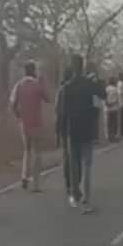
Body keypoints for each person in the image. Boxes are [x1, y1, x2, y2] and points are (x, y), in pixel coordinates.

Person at [62, 54, 103, 213]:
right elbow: (102, 94)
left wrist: (63, 132)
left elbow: (64, 112)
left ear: (72, 68)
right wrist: (97, 79)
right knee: (87, 166)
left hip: (73, 129)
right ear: (83, 66)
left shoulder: (67, 87)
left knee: (74, 165)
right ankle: (87, 198)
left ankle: (75, 194)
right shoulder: (89, 84)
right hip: (87, 129)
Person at [10, 60, 49, 192]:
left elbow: (12, 104)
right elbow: (47, 98)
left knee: (27, 150)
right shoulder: (37, 84)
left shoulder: (19, 85)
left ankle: (24, 176)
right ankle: (36, 184)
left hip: (24, 123)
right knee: (37, 152)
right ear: (33, 71)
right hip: (36, 122)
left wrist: (18, 116)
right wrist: (42, 82)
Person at [55, 67, 73, 198]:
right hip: (73, 125)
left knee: (67, 154)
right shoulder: (72, 89)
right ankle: (74, 181)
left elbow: (57, 110)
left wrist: (57, 128)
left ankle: (68, 182)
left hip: (64, 125)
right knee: (74, 155)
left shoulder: (60, 90)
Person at [105, 77, 120, 142]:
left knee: (109, 123)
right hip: (114, 107)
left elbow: (105, 97)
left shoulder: (107, 88)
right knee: (114, 123)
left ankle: (109, 136)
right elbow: (117, 99)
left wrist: (107, 103)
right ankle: (113, 136)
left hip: (108, 107)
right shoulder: (116, 89)